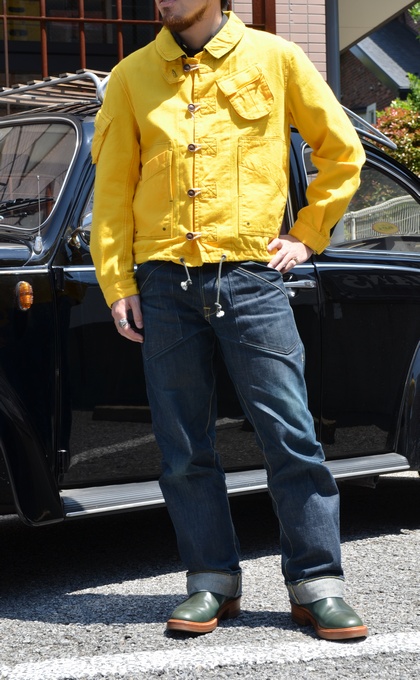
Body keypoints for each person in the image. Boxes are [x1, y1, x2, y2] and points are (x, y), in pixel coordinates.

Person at [91, 0, 368, 640]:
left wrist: (307, 234)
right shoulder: (132, 75)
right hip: (164, 283)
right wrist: (117, 281)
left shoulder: (277, 57)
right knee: (183, 446)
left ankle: (317, 585)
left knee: (290, 434)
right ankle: (211, 581)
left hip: (250, 277)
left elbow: (342, 150)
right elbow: (113, 188)